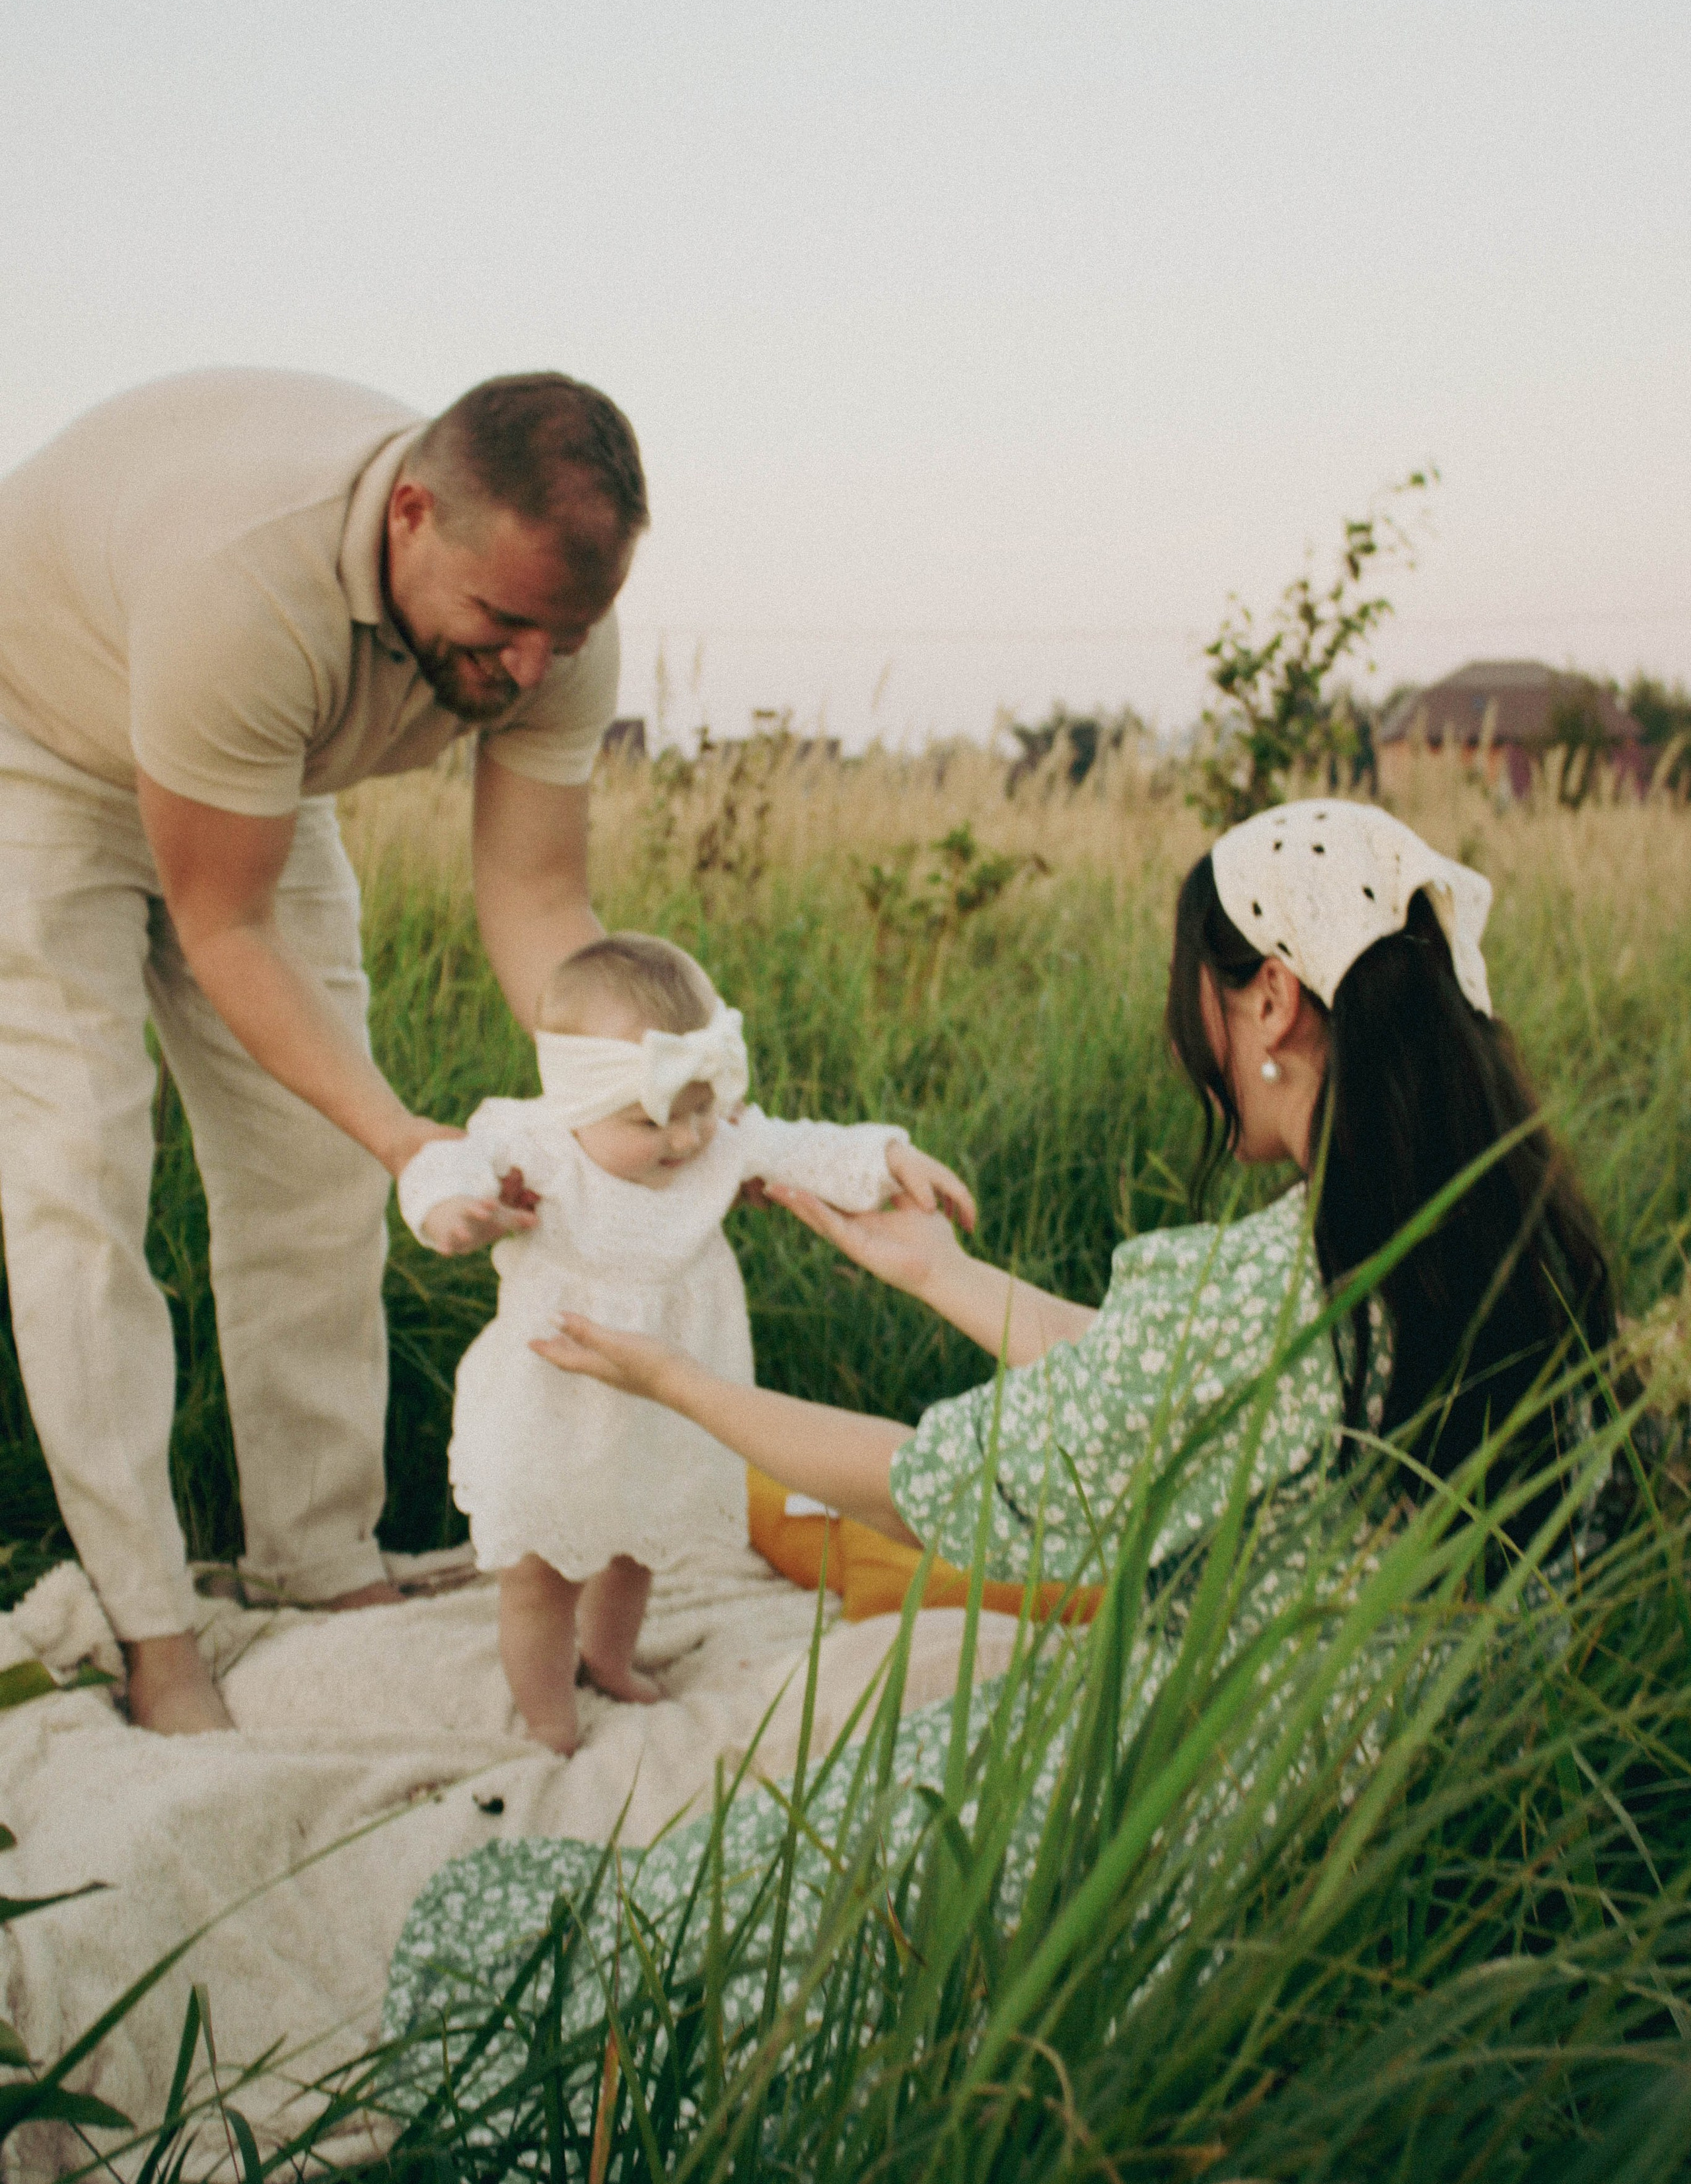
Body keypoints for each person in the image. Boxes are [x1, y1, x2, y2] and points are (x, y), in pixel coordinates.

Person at [380, 798, 1620, 2088]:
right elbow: (1165, 1379)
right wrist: (941, 1278)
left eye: (1191, 988)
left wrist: (672, 1381)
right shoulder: (1475, 1234)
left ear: (1267, 1001)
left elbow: (928, 1486)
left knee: (719, 1940)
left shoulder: (1293, 1278)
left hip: (1212, 1794)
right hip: (1386, 1816)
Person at [0, 366, 647, 1734]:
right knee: (78, 1173)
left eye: (568, 632)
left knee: (311, 1170)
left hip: (247, 771)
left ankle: (318, 1561)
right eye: (505, 622)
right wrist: (413, 1138)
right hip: (36, 741)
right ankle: (151, 1623)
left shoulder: (552, 626)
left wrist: (634, 1079)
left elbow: (538, 906)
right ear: (411, 514)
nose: (533, 666)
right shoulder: (246, 584)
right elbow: (222, 927)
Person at [394, 932, 973, 1753]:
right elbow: (447, 1161)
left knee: (640, 1544)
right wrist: (451, 1211)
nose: (686, 1140)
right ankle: (548, 1717)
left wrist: (889, 1156)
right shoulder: (538, 1146)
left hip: (666, 1403)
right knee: (540, 1575)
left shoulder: (718, 1141)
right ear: (574, 1100)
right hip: (555, 1403)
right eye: (653, 1121)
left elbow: (805, 1145)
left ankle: (608, 1659)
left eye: (702, 1109)